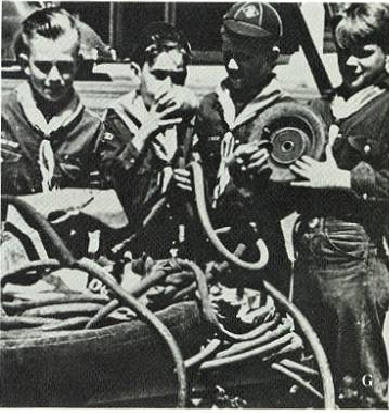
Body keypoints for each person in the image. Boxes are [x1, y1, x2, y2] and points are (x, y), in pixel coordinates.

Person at [290, 3, 389, 407]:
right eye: (343, 50)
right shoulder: (323, 107)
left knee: (361, 380)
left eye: (364, 51)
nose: (350, 61)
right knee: (313, 371)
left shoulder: (385, 109)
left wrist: (341, 178)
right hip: (309, 255)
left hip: (355, 260)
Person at [193, 2, 290, 292]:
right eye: (228, 54)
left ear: (271, 58)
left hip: (258, 252)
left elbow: (295, 197)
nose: (232, 65)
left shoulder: (288, 115)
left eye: (244, 57)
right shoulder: (208, 107)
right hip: (207, 248)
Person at [99, 22, 198, 258]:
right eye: (159, 75)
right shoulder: (117, 118)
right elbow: (107, 180)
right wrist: (144, 134)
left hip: (175, 246)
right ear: (136, 72)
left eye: (178, 77)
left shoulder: (190, 122)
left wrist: (195, 182)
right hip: (125, 245)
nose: (168, 86)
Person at [1, 7, 105, 195]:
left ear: (77, 65)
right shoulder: (3, 115)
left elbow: (97, 196)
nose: (55, 77)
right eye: (43, 66)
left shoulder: (91, 128)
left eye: (64, 66)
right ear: (25, 64)